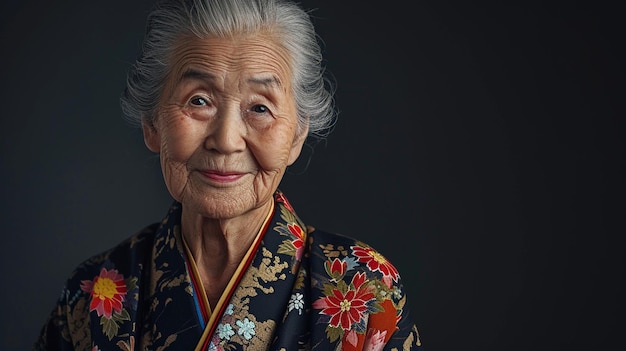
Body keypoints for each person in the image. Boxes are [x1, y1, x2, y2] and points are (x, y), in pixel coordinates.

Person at [34, 0, 424, 350]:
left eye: (259, 108)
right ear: (152, 125)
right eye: (198, 101)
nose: (225, 140)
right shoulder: (94, 293)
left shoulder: (362, 288)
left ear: (296, 136)